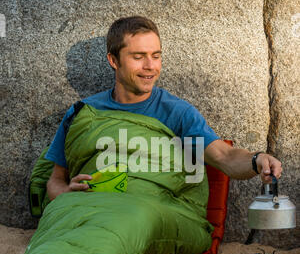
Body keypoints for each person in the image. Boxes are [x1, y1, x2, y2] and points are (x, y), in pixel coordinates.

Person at [46, 16, 282, 200]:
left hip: (148, 214)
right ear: (113, 61)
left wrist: (257, 160)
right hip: (89, 210)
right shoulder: (83, 113)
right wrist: (67, 195)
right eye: (138, 56)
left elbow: (224, 156)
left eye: (156, 56)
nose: (150, 66)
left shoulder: (177, 113)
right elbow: (55, 180)